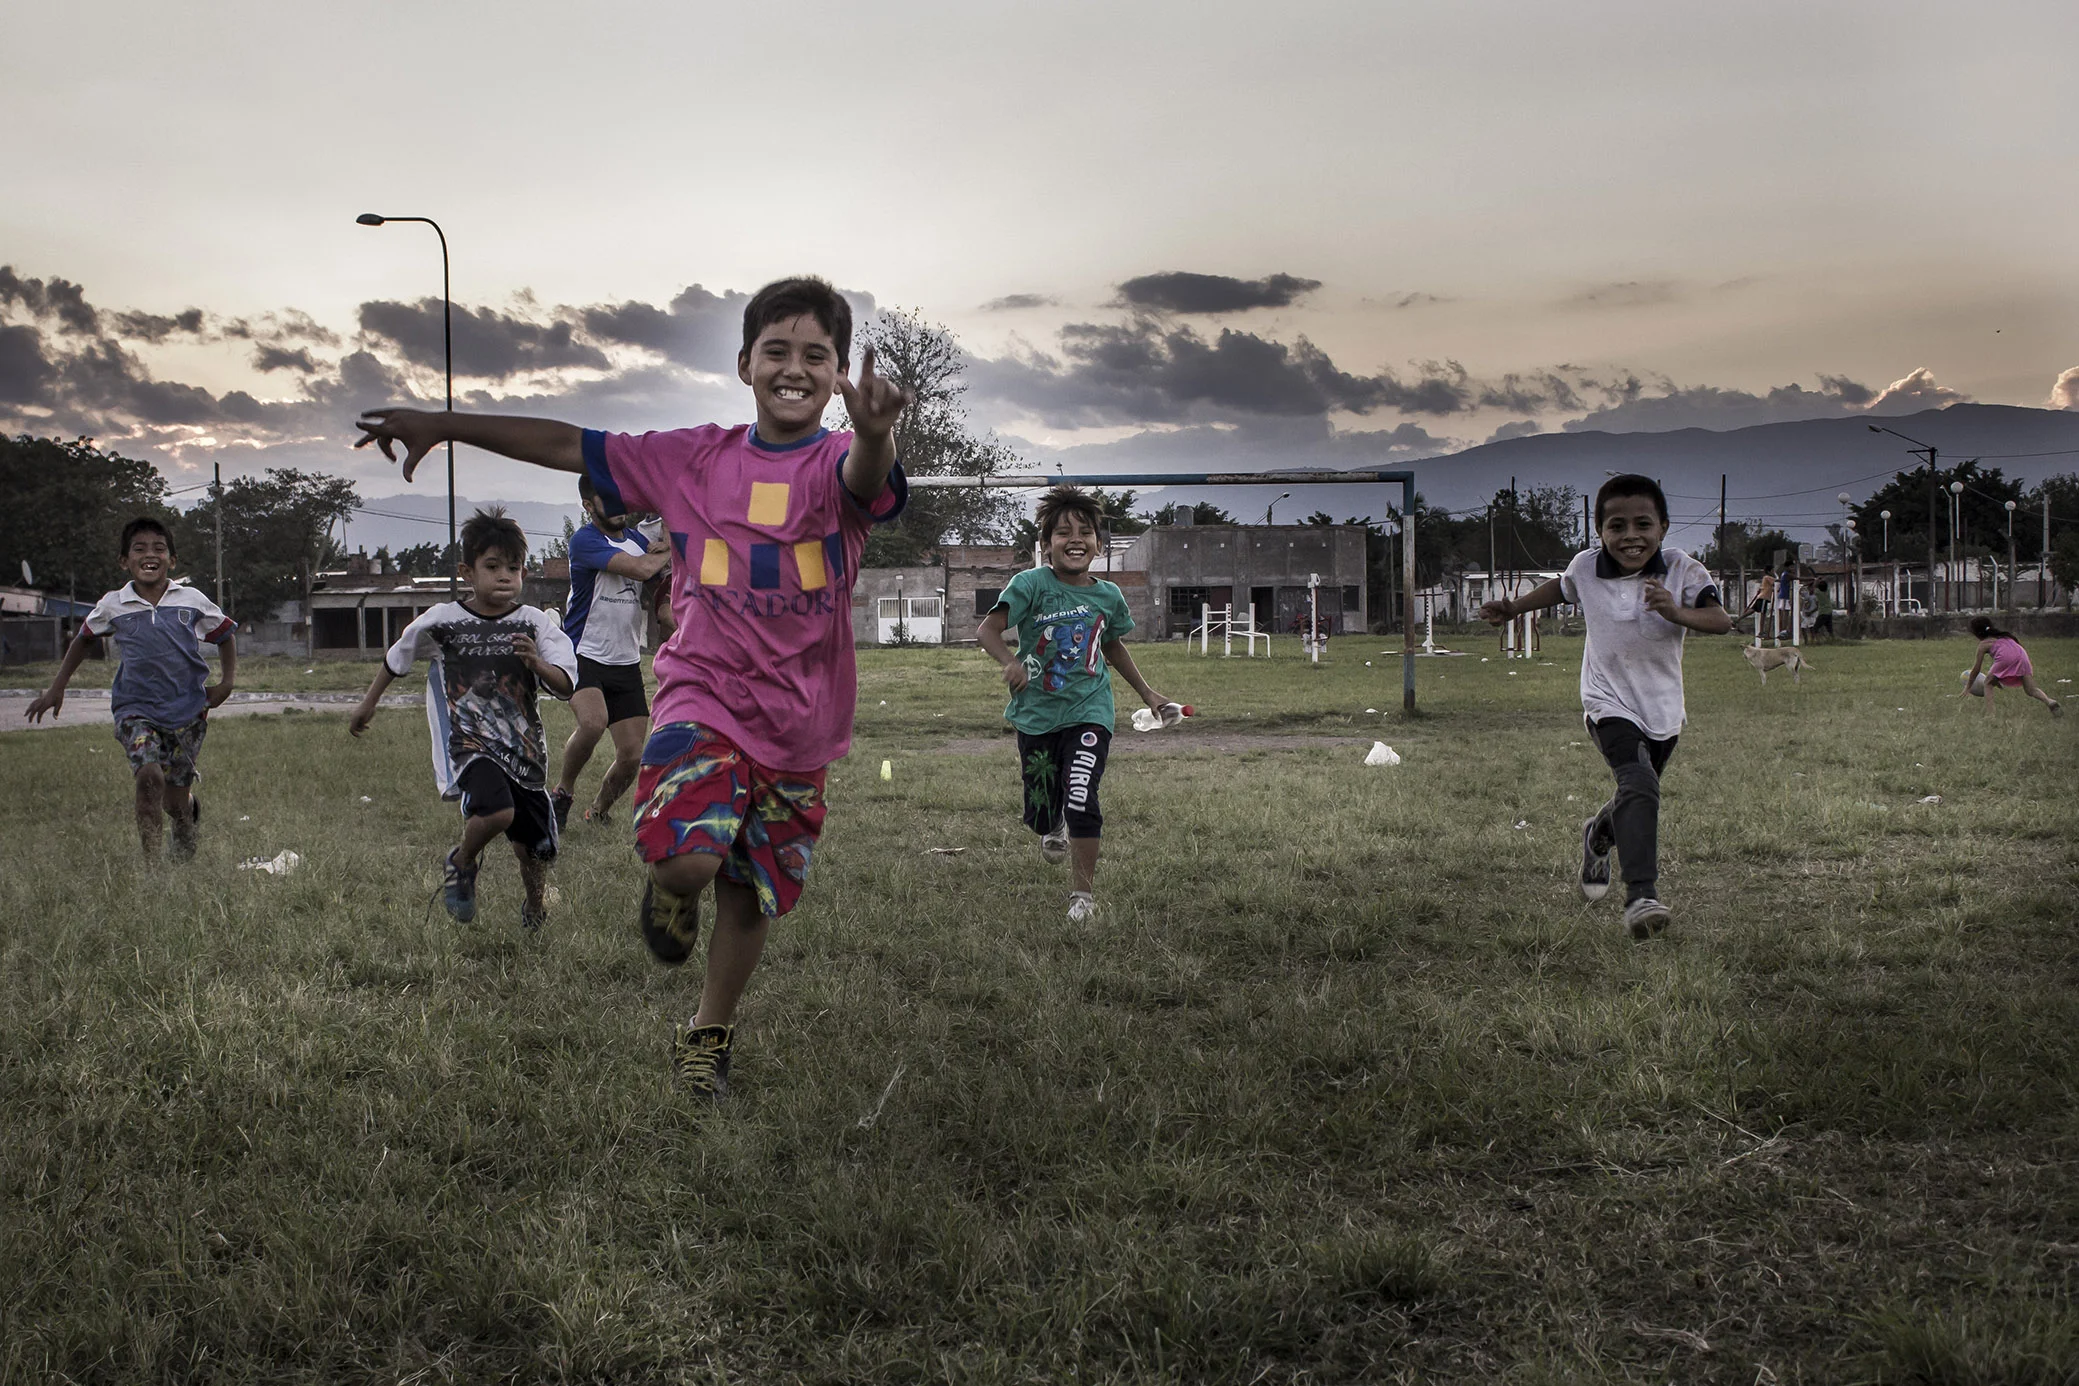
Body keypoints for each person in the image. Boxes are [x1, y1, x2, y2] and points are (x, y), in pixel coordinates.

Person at [351, 276, 910, 1100]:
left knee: (748, 892)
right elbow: (566, 444)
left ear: (836, 374)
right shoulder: (692, 458)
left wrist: (875, 432)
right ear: (745, 364)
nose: (794, 368)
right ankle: (669, 886)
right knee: (689, 862)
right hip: (703, 694)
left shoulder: (840, 461)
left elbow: (869, 478)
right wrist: (445, 423)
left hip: (801, 723)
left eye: (815, 355)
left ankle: (708, 1032)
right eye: (777, 351)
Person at [1480, 474, 1731, 938]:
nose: (1630, 536)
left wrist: (1675, 612)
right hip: (1606, 701)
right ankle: (1641, 897)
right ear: (1599, 532)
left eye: (1643, 524)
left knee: (1638, 791)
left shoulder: (1684, 571)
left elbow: (1720, 621)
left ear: (1663, 527)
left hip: (1663, 709)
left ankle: (1598, 834)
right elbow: (1561, 588)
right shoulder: (1586, 567)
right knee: (1640, 784)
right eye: (1617, 526)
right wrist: (1514, 609)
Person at [349, 508, 578, 931]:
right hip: (470, 744)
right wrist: (368, 703)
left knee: (535, 850)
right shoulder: (444, 621)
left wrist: (536, 663)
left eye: (514, 568)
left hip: (524, 751)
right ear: (466, 572)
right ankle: (462, 860)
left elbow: (566, 684)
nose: (505, 576)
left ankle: (534, 908)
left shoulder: (534, 624)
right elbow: (397, 658)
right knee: (497, 812)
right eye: (493, 566)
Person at [977, 486, 1177, 924]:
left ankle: (1082, 897)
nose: (1075, 540)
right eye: (1063, 532)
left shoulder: (1108, 596)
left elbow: (1113, 646)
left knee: (1083, 797)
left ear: (1099, 544)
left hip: (1090, 712)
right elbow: (987, 630)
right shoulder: (1030, 584)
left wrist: (1148, 694)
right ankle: (1052, 824)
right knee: (1041, 810)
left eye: (1085, 532)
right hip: (1036, 716)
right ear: (1046, 544)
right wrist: (1010, 662)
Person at [25, 517, 236, 860]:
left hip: (187, 712)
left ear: (172, 560)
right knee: (149, 778)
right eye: (139, 549)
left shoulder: (191, 600)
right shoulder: (114, 604)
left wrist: (226, 683)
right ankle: (152, 872)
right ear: (125, 561)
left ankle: (188, 814)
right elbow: (83, 639)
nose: (149, 554)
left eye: (159, 548)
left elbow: (225, 634)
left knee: (174, 803)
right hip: (134, 710)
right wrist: (56, 689)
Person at [552, 477, 673, 829]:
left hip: (626, 660)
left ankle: (599, 811)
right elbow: (641, 568)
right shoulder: (585, 541)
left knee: (632, 756)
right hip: (583, 653)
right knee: (593, 723)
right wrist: (673, 548)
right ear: (589, 506)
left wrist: (668, 610)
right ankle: (563, 793)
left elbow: (658, 583)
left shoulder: (638, 540)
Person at [1964, 616, 2061, 717]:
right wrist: (1995, 679)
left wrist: (1968, 687)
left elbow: (1976, 669)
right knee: (2031, 689)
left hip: (2006, 658)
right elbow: (2010, 653)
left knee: (1987, 683)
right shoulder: (2005, 636)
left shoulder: (1984, 644)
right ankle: (2049, 701)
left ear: (1977, 633)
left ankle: (1990, 715)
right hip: (2022, 656)